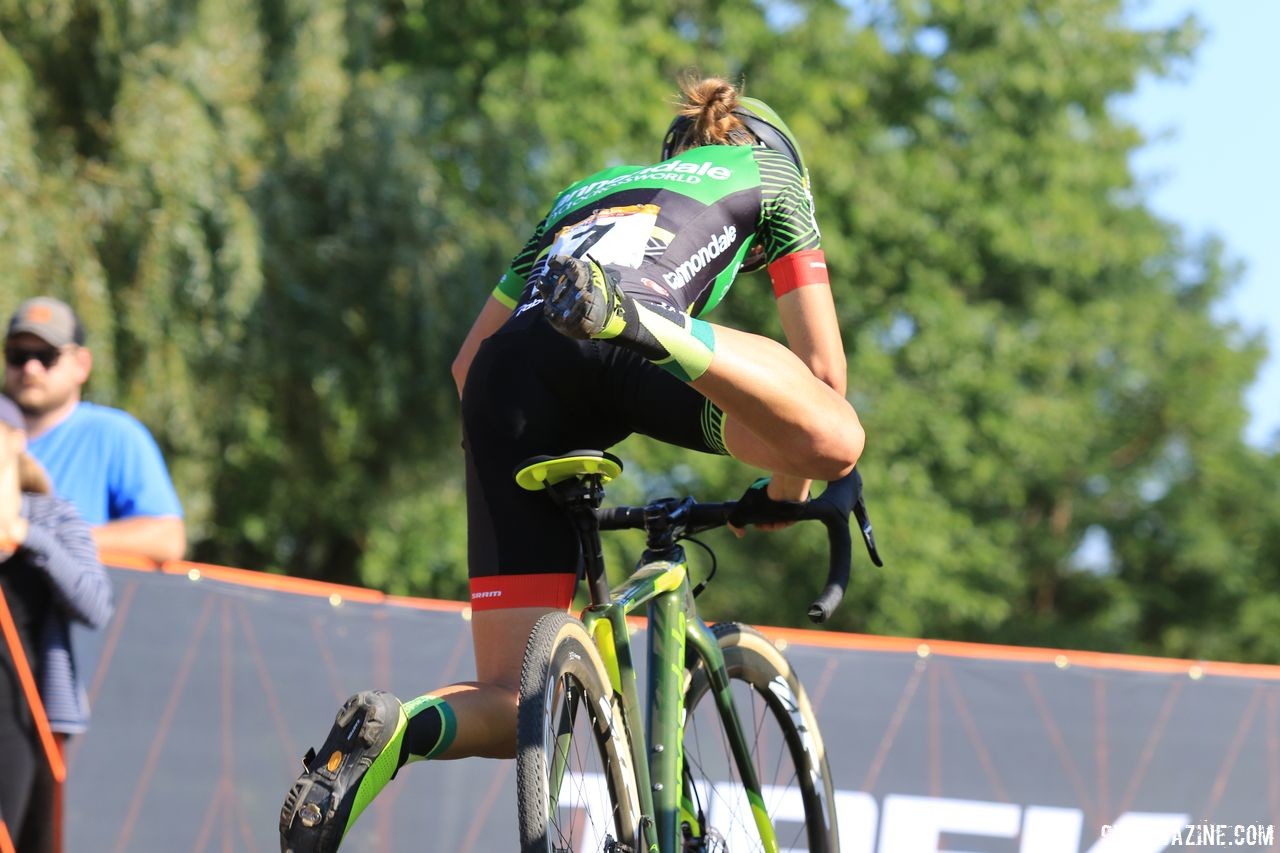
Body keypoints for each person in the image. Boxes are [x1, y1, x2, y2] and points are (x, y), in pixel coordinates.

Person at [278, 76, 865, 852]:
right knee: (836, 435)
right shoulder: (774, 174)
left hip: (507, 384)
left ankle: (399, 729)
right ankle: (649, 318)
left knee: (506, 697)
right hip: (627, 340)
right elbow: (821, 373)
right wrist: (783, 494)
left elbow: (466, 364)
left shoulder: (585, 190)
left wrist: (515, 476)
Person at [0, 393, 114, 852]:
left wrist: (28, 538)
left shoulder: (52, 515)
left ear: (14, 439)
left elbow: (95, 605)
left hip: (32, 717)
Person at [3, 297, 186, 564]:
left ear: (82, 364)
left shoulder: (115, 435)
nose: (31, 369)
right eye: (18, 356)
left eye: (47, 357)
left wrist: (43, 539)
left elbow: (167, 538)